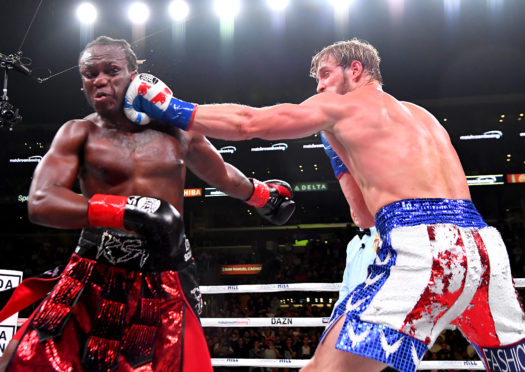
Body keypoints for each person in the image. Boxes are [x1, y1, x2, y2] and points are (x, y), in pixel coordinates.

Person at [124, 38, 525, 372]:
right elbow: (367, 217)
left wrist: (167, 108)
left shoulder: (341, 107)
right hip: (486, 248)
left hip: (424, 245)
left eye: (326, 76)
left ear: (356, 69)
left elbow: (250, 123)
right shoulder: (425, 117)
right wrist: (343, 159)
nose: (319, 89)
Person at [0, 36, 295, 372]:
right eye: (89, 73)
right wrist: (125, 210)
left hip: (166, 272)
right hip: (94, 268)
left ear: (133, 73)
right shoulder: (77, 132)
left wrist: (263, 196)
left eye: (111, 70)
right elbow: (40, 201)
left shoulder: (178, 131)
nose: (99, 80)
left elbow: (223, 175)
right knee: (24, 358)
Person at [319, 131, 378, 315]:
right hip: (351, 312)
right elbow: (346, 284)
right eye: (350, 208)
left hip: (376, 310)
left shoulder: (387, 234)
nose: (353, 211)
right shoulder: (352, 244)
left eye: (357, 205)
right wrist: (337, 315)